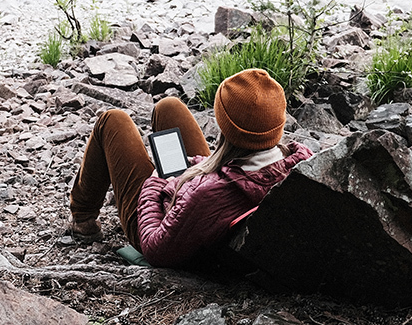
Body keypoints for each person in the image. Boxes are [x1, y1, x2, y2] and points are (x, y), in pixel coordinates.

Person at [69, 68, 314, 268]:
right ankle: (182, 167)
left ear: (225, 127)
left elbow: (155, 249)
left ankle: (83, 219)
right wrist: (200, 166)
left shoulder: (206, 195)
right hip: (208, 197)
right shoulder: (302, 162)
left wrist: (156, 183)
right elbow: (233, 179)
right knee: (169, 106)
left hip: (164, 221)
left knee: (112, 120)